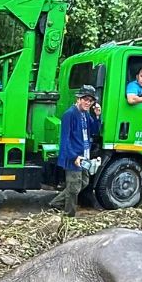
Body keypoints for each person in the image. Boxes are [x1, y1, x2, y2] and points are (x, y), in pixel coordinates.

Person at [49, 85, 96, 218]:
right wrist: (73, 156)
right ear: (78, 99)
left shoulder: (86, 114)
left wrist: (97, 116)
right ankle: (69, 216)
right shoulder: (69, 114)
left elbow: (94, 129)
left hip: (84, 155)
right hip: (74, 156)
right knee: (74, 188)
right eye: (85, 99)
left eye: (90, 101)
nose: (88, 103)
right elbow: (65, 140)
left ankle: (56, 203)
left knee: (84, 182)